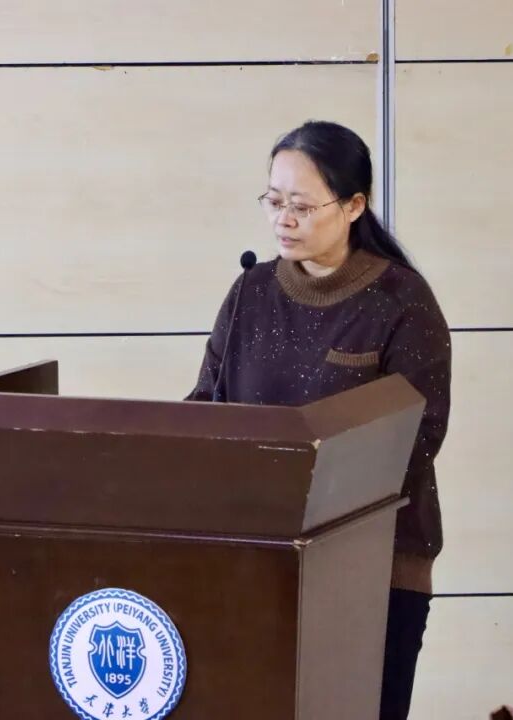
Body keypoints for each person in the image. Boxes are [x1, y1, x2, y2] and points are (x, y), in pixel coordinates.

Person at [186, 120, 452, 720]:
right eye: (273, 201)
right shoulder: (250, 292)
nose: (283, 219)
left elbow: (416, 440)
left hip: (373, 568)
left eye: (302, 206)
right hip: (256, 560)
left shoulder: (403, 302)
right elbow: (208, 405)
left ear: (354, 206)